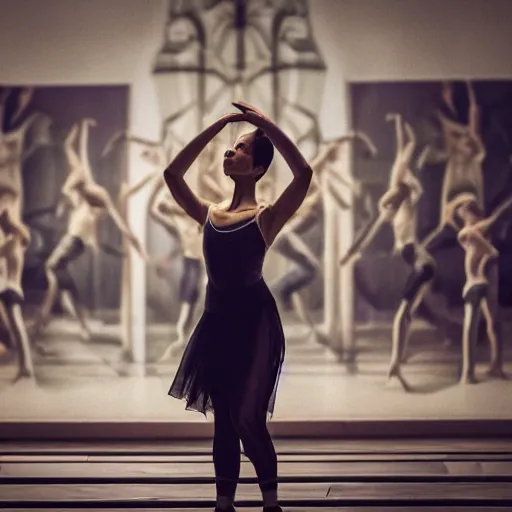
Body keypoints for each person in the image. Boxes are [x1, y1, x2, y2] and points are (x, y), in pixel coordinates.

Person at [164, 101, 312, 512]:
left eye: (242, 149)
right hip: (216, 323)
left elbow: (304, 174)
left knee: (248, 417)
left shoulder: (265, 216)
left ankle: (271, 503)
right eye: (233, 147)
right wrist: (219, 127)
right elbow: (172, 174)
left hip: (255, 322)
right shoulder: (209, 213)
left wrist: (264, 126)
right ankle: (224, 503)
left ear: (259, 168)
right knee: (226, 419)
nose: (232, 152)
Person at [31, 120, 148, 340]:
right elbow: (79, 153)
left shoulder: (97, 195)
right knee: (66, 283)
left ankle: (43, 317)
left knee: (51, 266)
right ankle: (80, 324)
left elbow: (119, 222)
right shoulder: (85, 188)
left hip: (76, 240)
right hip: (74, 238)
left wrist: (136, 245)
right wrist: (83, 128)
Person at [0, 209, 34, 380]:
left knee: (18, 327)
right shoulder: (20, 243)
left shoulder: (11, 242)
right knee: (16, 327)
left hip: (10, 290)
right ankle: (25, 366)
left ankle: (26, 367)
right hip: (10, 289)